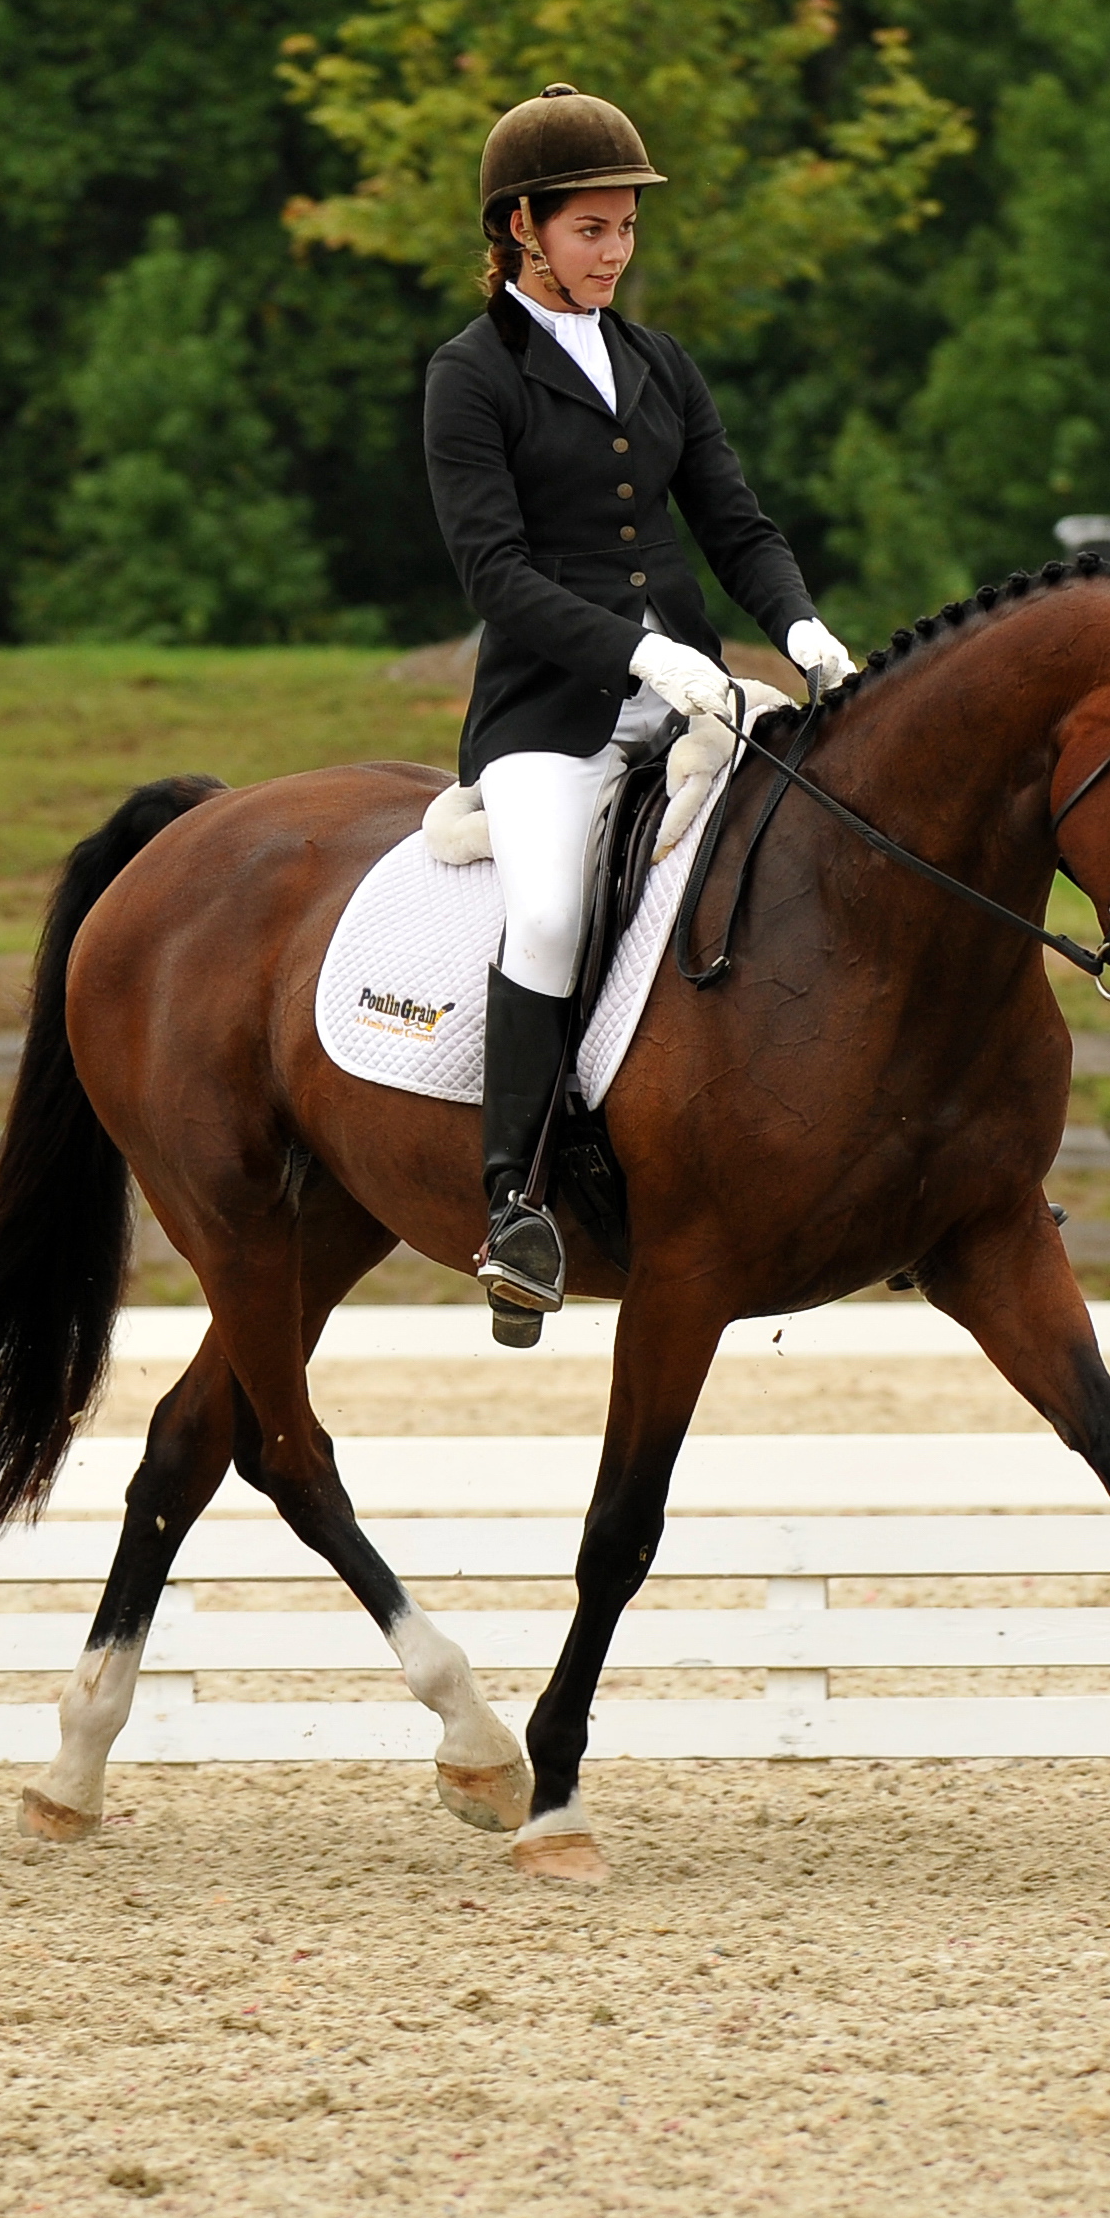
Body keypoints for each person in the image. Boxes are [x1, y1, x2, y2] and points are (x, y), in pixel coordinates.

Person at [423, 83, 858, 1325]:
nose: (614, 253)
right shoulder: (470, 377)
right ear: (521, 228)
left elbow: (732, 520)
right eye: (591, 230)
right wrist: (637, 654)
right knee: (553, 908)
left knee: (821, 845)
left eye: (624, 230)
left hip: (697, 700)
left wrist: (801, 626)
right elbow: (494, 575)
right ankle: (514, 1204)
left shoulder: (659, 363)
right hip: (547, 715)